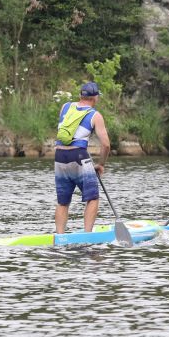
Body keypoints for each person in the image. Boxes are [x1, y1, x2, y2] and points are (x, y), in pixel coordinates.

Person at [53, 82, 112, 234]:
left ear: (81, 95)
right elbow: (105, 145)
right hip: (78, 156)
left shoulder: (65, 107)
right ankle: (87, 235)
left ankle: (60, 236)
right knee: (92, 197)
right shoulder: (95, 115)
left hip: (59, 156)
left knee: (62, 202)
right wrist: (101, 164)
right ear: (95, 98)